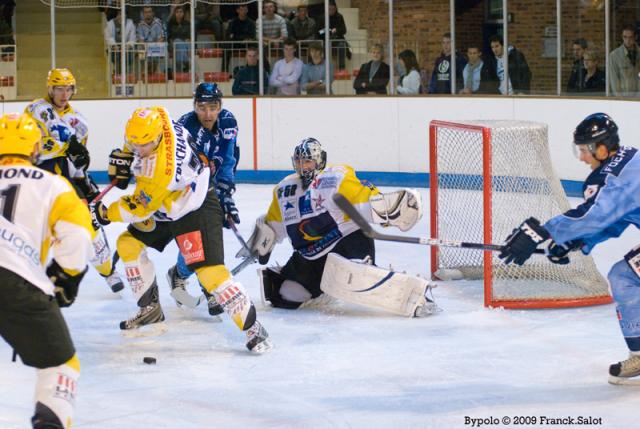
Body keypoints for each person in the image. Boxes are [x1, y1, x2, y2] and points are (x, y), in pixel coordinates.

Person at [89, 106, 271, 353]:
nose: (139, 149)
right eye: (134, 143)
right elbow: (139, 145)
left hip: (195, 209)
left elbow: (139, 208)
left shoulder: (161, 171)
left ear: (158, 139)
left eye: (145, 145)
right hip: (169, 204)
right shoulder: (158, 115)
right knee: (127, 244)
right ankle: (150, 309)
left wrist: (103, 213)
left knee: (209, 274)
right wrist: (126, 154)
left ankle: (253, 328)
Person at [497, 113, 640, 385]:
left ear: (601, 147)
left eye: (584, 150)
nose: (581, 157)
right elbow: (616, 220)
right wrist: (576, 241)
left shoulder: (619, 176)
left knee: (624, 278)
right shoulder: (629, 160)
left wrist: (543, 232)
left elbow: (596, 215)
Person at [241, 138, 437, 317]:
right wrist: (263, 243)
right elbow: (273, 223)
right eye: (299, 161)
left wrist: (390, 209)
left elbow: (365, 199)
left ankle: (415, 296)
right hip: (308, 258)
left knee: (352, 276)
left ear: (320, 161)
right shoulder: (284, 190)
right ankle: (321, 290)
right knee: (285, 294)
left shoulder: (335, 178)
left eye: (308, 161)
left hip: (346, 244)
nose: (303, 167)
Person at [0, 112, 94, 428]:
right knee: (60, 364)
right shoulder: (53, 184)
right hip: (15, 279)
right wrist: (65, 277)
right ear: (36, 149)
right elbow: (79, 236)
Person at [25, 68, 124, 294]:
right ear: (50, 88)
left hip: (63, 179)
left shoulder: (80, 122)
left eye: (68, 88)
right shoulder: (36, 108)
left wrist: (86, 185)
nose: (64, 93)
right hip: (35, 178)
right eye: (59, 88)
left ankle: (108, 271)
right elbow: (51, 127)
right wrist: (68, 144)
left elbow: (76, 163)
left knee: (89, 225)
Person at [166, 82, 240, 316]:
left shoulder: (228, 122)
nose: (208, 114)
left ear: (220, 106)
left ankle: (183, 275)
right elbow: (179, 171)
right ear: (194, 106)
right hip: (186, 190)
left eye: (213, 107)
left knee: (209, 237)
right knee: (194, 240)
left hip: (211, 187)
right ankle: (202, 284)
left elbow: (228, 159)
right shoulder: (183, 127)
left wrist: (225, 193)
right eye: (202, 107)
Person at [609, 25, 640, 97]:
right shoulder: (614, 56)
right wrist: (620, 100)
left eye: (630, 37)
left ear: (635, 37)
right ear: (622, 37)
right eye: (625, 37)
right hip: (625, 98)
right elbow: (614, 81)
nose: (628, 40)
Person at [317, 1, 350, 69]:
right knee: (325, 47)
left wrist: (336, 30)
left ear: (336, 9)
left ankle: (342, 68)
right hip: (325, 39)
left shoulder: (339, 16)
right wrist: (325, 30)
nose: (331, 11)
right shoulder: (322, 17)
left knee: (342, 46)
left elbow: (344, 30)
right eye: (329, 9)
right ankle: (325, 68)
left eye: (333, 9)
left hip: (337, 39)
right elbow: (318, 32)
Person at [224, 4, 256, 73]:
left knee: (254, 47)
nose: (243, 12)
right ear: (237, 10)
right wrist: (241, 39)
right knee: (226, 47)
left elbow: (252, 36)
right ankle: (224, 71)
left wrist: (247, 40)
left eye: (245, 10)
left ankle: (252, 69)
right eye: (241, 10)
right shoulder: (232, 22)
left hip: (246, 43)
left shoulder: (251, 22)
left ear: (247, 11)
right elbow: (229, 35)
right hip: (235, 43)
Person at [166, 5, 190, 74]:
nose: (179, 14)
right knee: (177, 42)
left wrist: (186, 40)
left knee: (179, 47)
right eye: (177, 12)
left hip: (185, 45)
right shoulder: (170, 23)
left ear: (183, 13)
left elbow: (189, 36)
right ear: (174, 13)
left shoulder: (187, 24)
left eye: (181, 12)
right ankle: (186, 63)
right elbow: (169, 37)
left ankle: (178, 73)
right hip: (173, 45)